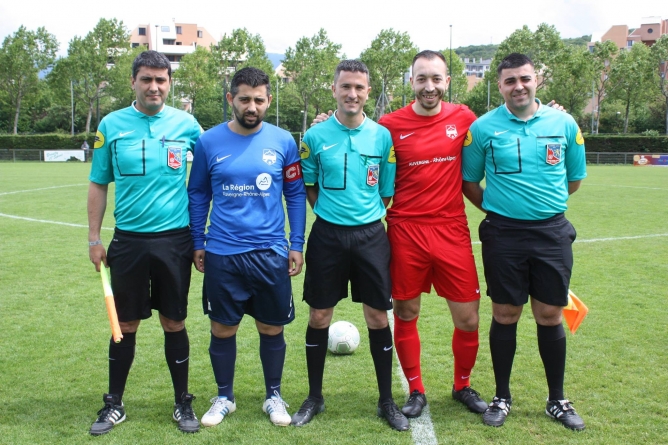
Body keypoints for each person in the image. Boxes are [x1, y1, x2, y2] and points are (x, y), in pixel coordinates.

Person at [308, 50, 488, 419]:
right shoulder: (389, 125)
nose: (429, 86)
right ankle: (416, 390)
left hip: (452, 229)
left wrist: (547, 112)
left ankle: (462, 384)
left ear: (447, 82)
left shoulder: (465, 118)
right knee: (405, 312)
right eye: (421, 78)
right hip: (405, 231)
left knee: (468, 318)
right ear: (412, 82)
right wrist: (326, 121)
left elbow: (501, 130)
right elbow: (352, 133)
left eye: (436, 78)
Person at [461, 53, 587, 431]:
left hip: (551, 233)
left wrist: (541, 207)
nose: (518, 86)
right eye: (510, 80)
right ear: (499, 86)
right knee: (505, 314)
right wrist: (500, 209)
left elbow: (574, 180)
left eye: (525, 79)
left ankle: (557, 400)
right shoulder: (483, 128)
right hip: (503, 234)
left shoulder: (564, 123)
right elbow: (469, 182)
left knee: (549, 314)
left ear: (537, 81)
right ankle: (501, 396)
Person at [87, 50, 202, 436]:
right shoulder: (111, 124)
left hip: (175, 242)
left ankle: (183, 401)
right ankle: (114, 403)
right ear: (133, 82)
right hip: (129, 242)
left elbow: (215, 161)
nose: (154, 86)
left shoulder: (186, 125)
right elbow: (99, 183)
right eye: (147, 79)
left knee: (174, 321)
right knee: (126, 323)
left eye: (161, 79)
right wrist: (93, 238)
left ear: (169, 83)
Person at [291, 60, 408, 431]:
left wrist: (361, 216)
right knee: (319, 316)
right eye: (346, 87)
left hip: (372, 236)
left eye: (359, 87)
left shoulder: (382, 137)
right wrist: (331, 213)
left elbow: (386, 192)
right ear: (334, 89)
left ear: (368, 92)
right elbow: (308, 187)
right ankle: (314, 397)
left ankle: (386, 401)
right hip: (327, 236)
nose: (352, 94)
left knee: (377, 316)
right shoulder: (314, 137)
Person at [187, 67, 306, 428]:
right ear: (231, 100)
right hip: (223, 252)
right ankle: (224, 396)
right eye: (244, 99)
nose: (251, 106)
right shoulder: (208, 142)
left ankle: (274, 395)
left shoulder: (284, 141)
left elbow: (295, 194)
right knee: (222, 329)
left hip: (270, 253)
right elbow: (198, 194)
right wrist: (198, 241)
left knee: (271, 328)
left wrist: (296, 243)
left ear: (268, 100)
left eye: (258, 99)